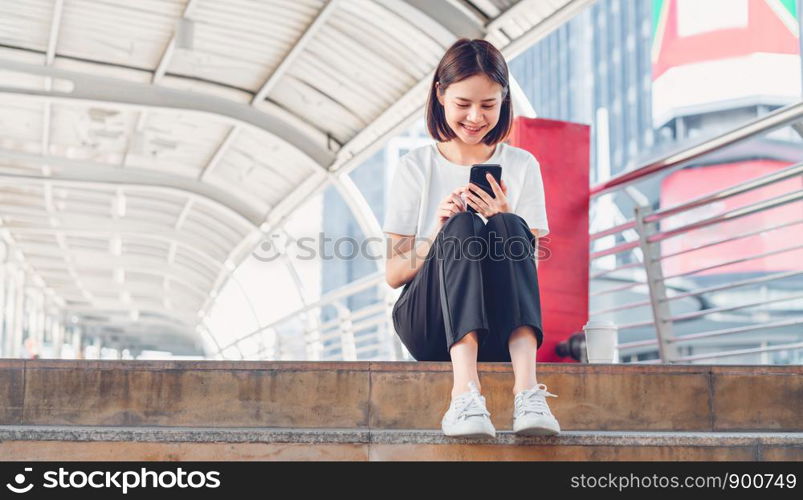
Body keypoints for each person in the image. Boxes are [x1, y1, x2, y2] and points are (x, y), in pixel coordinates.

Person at [382, 38, 561, 438]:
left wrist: (503, 217)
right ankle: (465, 394)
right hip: (429, 326)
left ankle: (528, 392)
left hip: (499, 325)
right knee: (460, 227)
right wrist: (436, 235)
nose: (476, 117)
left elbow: (525, 273)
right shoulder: (416, 167)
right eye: (463, 104)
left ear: (504, 101)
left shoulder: (522, 165)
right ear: (440, 95)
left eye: (488, 105)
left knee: (511, 228)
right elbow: (394, 273)